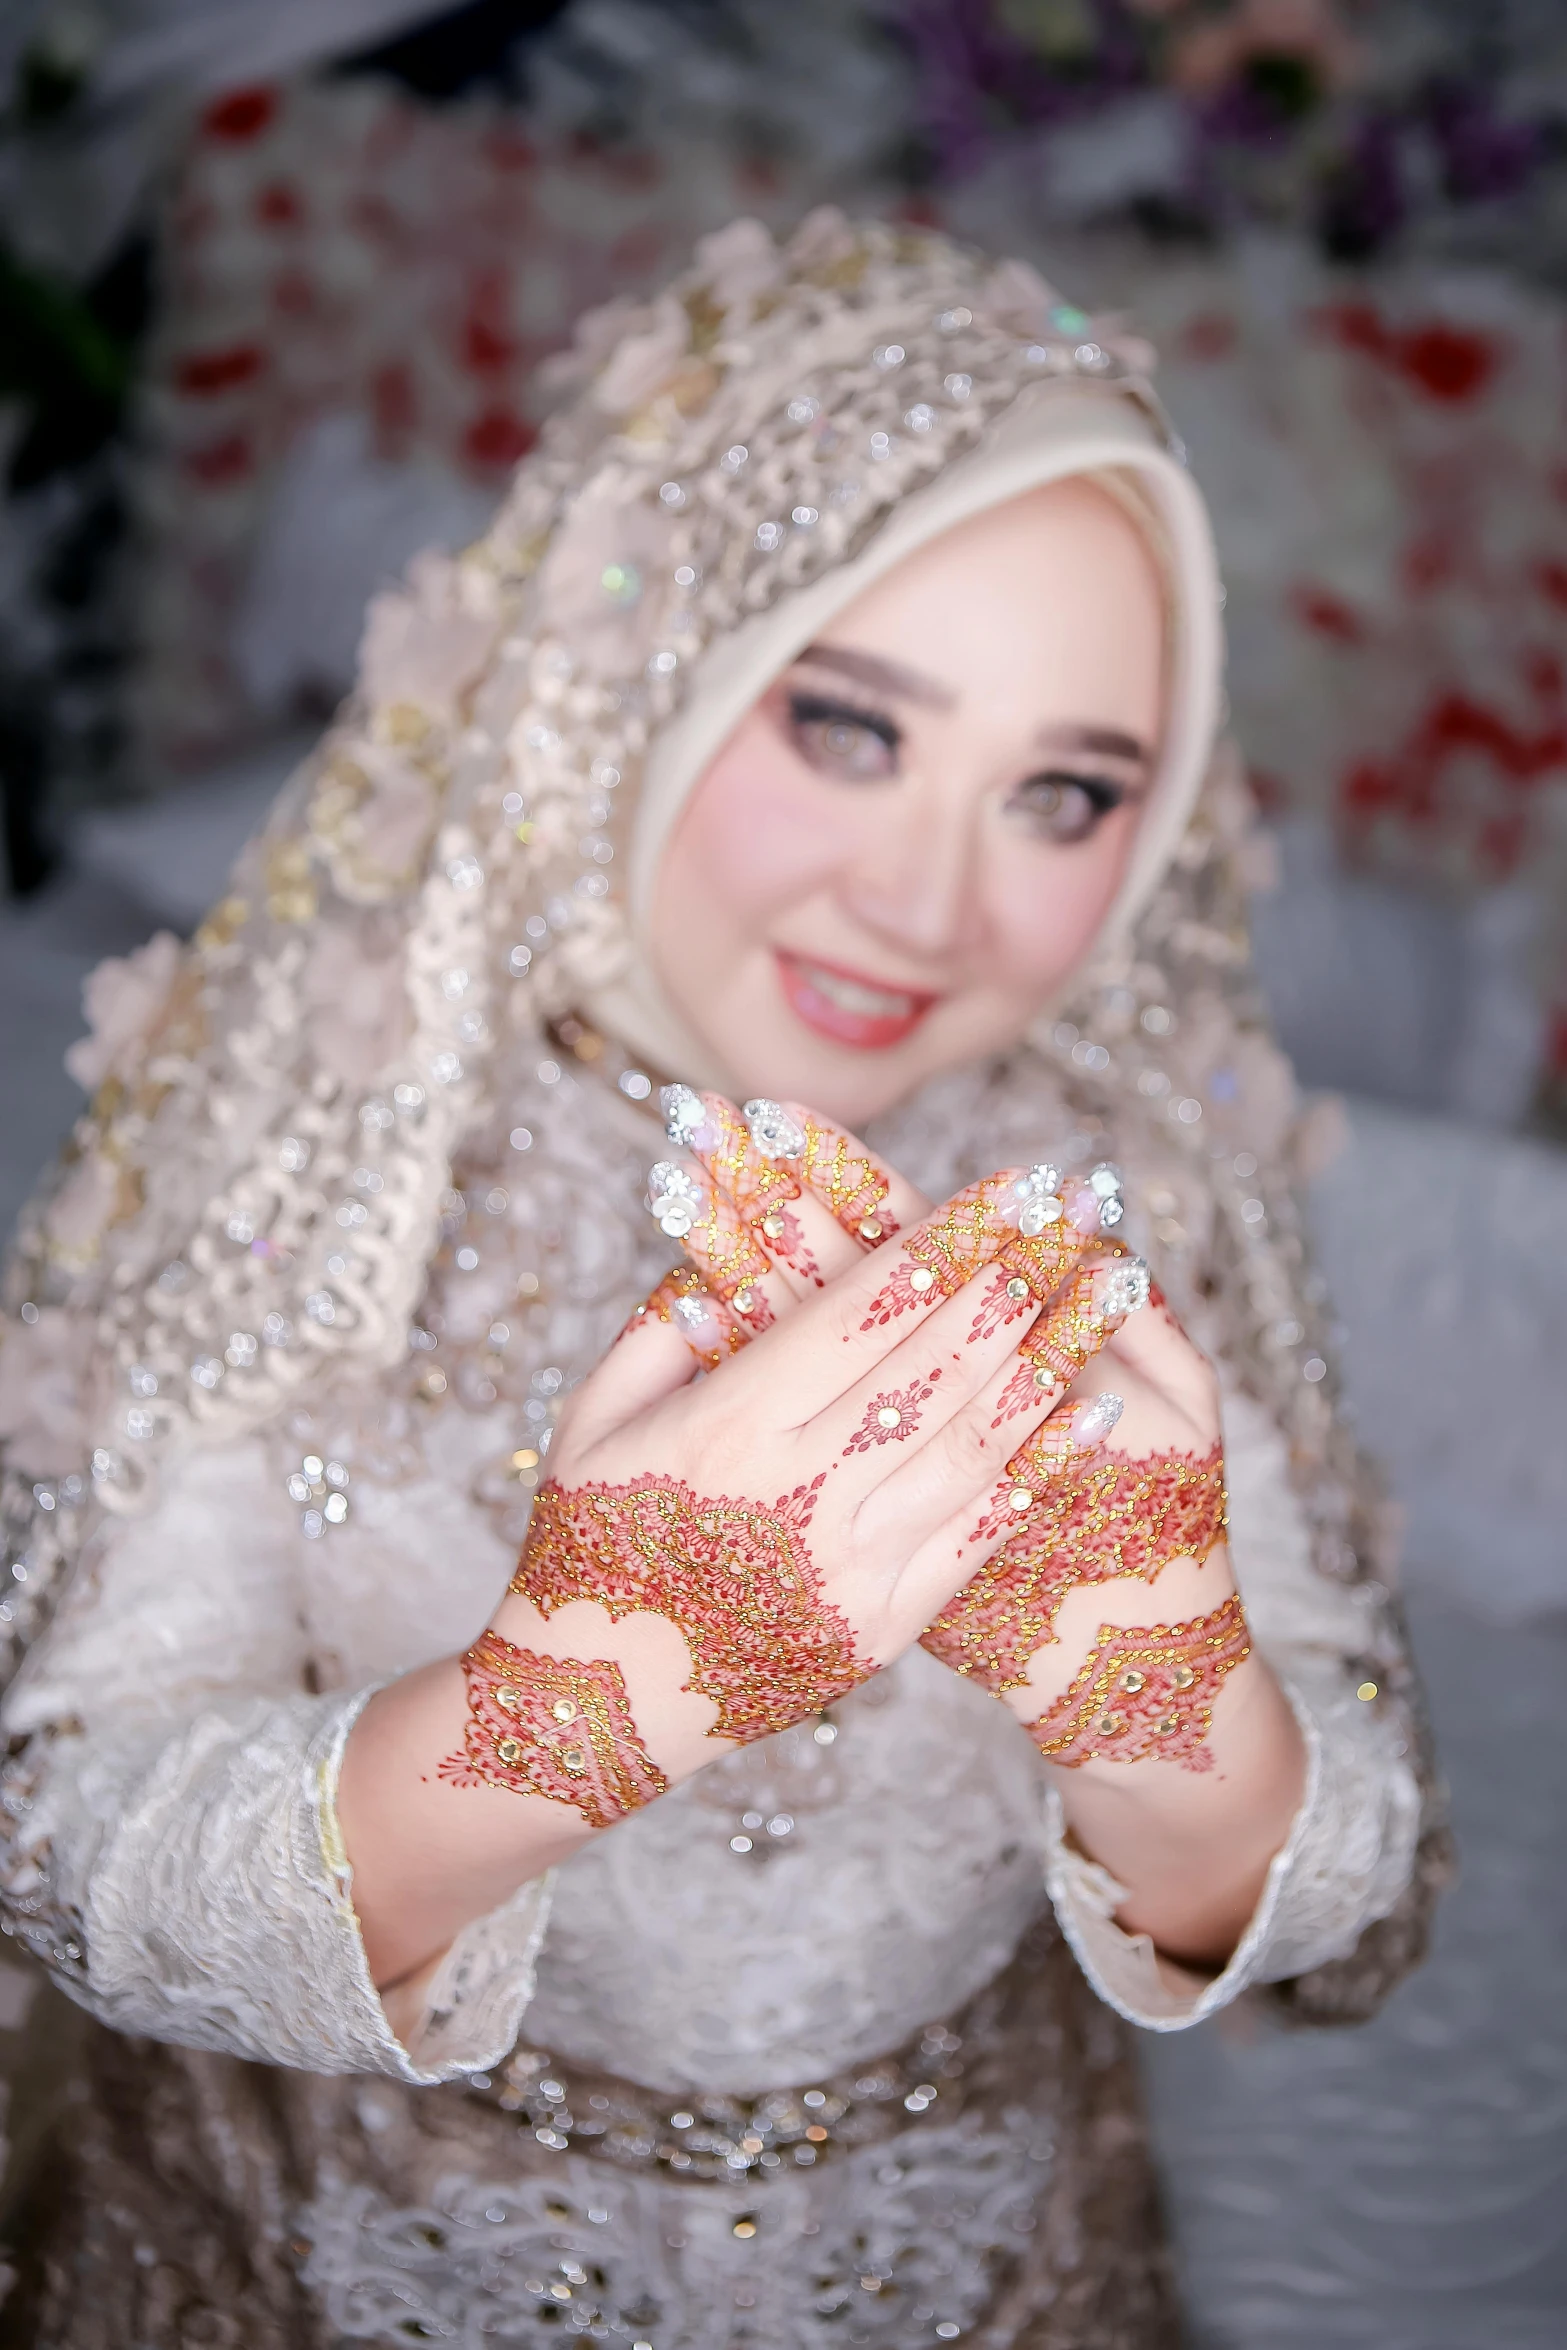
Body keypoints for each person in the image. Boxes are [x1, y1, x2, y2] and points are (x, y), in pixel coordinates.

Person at [0, 214, 1444, 2347]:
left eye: (1063, 792)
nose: (933, 898)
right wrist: (564, 1707)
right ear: (628, 670)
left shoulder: (1132, 1194)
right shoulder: (320, 1137)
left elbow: (1351, 1889)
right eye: (850, 727)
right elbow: (64, 1840)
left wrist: (1173, 1727)